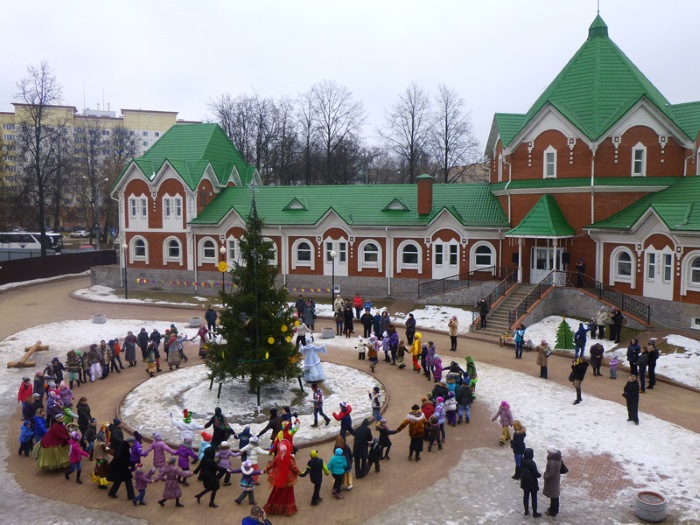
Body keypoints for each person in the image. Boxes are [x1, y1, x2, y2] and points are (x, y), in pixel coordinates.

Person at [263, 438, 301, 516]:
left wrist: (266, 469)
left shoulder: (278, 457)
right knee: (288, 494)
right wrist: (300, 472)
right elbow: (294, 468)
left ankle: (273, 506)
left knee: (276, 492)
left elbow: (271, 464)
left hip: (278, 478)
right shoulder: (289, 458)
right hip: (288, 479)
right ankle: (287, 509)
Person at [520, 448, 542, 517]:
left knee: (526, 496)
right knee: (534, 497)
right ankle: (535, 512)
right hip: (532, 482)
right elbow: (535, 473)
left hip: (524, 481)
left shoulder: (522, 460)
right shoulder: (532, 463)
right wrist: (539, 475)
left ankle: (526, 511)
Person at [543, 446, 564, 517]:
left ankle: (552, 511)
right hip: (556, 479)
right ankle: (555, 509)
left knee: (553, 496)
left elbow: (551, 473)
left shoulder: (552, 462)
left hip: (552, 481)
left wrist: (545, 476)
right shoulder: (558, 458)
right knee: (555, 496)